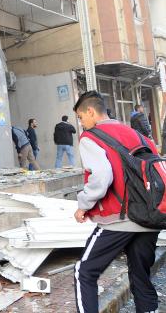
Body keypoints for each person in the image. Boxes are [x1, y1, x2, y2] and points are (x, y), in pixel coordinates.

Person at [73, 91, 159, 313]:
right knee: (141, 276)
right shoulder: (139, 135)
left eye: (81, 118)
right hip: (149, 217)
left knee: (84, 271)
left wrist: (84, 204)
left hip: (119, 219)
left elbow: (101, 176)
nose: (81, 124)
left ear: (90, 112)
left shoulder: (91, 137)